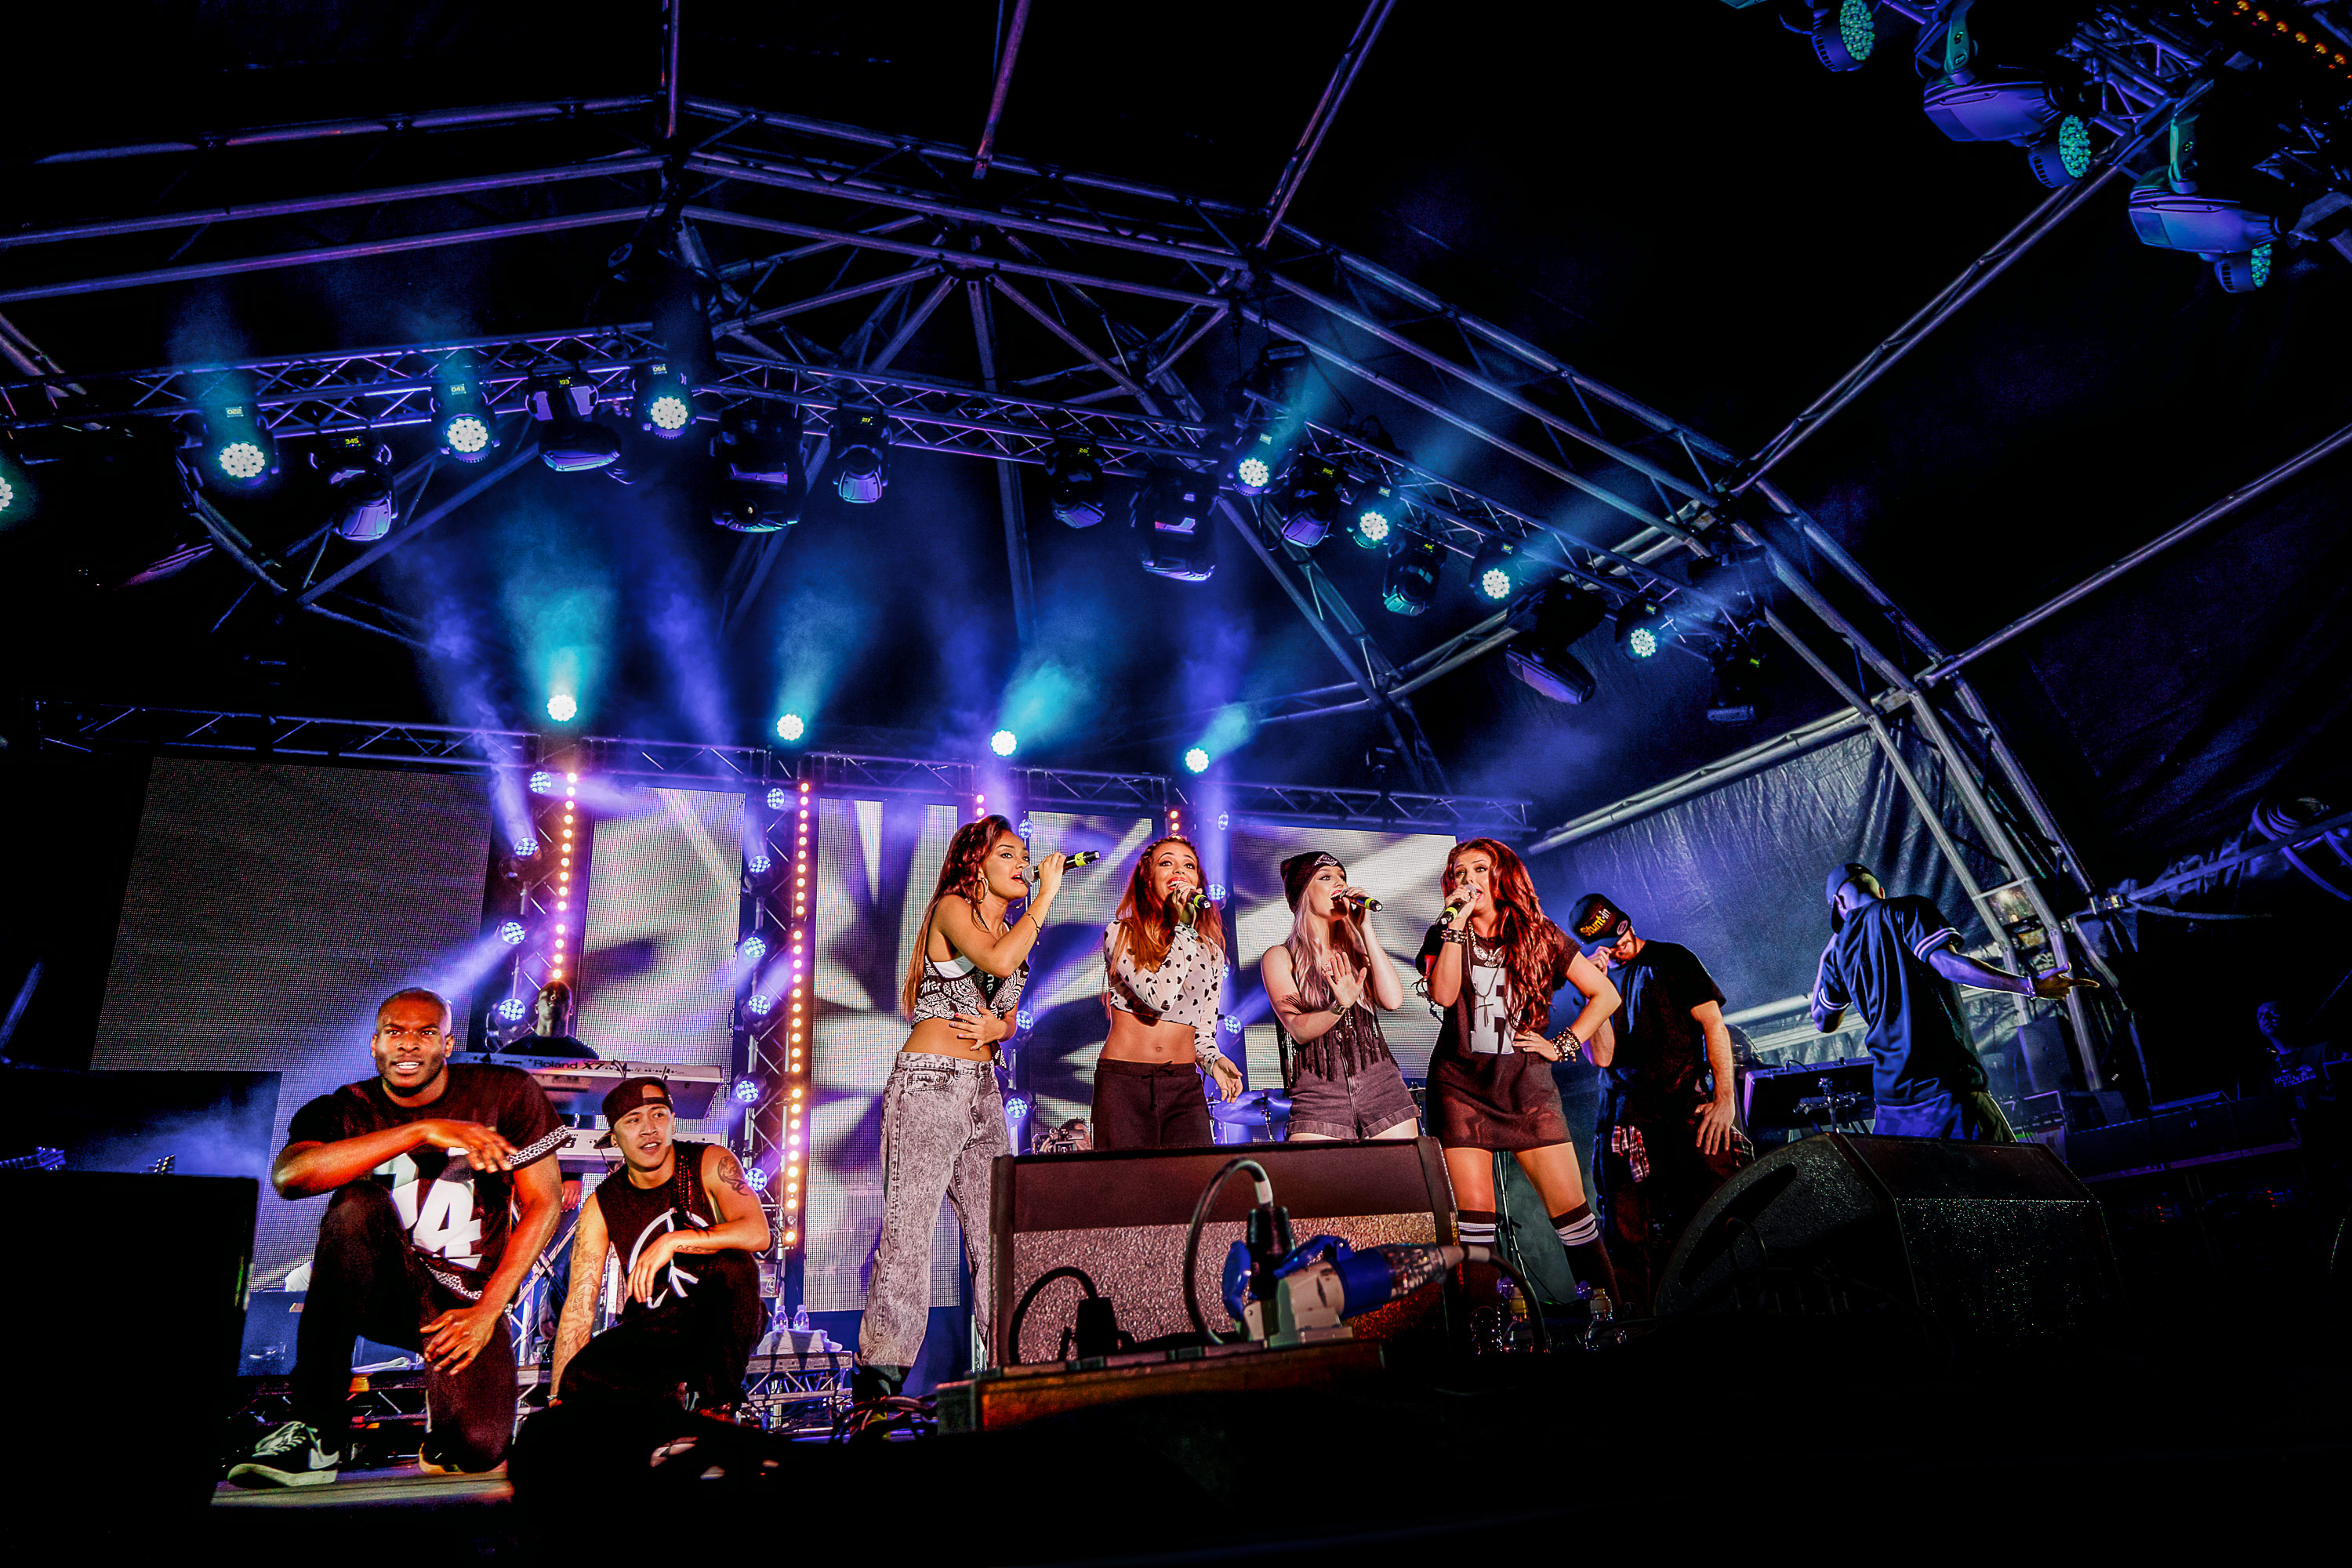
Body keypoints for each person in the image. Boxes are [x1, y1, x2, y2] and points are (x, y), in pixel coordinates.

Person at [228, 987, 564, 1487]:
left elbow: (545, 1202)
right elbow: (291, 1177)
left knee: (477, 1449)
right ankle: (318, 1430)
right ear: (375, 1044)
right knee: (357, 1204)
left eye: (426, 1032)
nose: (409, 1044)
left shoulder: (506, 1092)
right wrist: (422, 1130)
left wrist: (488, 1311)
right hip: (383, 1286)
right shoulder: (348, 1106)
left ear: (448, 1044)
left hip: (463, 1301)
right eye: (395, 1032)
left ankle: (447, 1425)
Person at [857, 815, 1064, 1408]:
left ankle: (1011, 1374)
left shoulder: (1015, 931)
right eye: (1008, 854)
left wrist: (1000, 1028)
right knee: (909, 1234)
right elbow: (996, 963)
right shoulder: (952, 908)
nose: (1022, 864)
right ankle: (878, 1391)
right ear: (977, 864)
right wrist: (1046, 897)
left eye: (1024, 855)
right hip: (930, 1083)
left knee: (997, 1238)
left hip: (983, 1088)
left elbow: (1008, 1014)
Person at [1417, 839, 1622, 1307]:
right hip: (1460, 1089)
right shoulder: (1444, 931)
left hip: (1527, 1090)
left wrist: (1562, 1045)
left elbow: (1605, 995)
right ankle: (1485, 1334)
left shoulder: (1539, 933)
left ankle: (1610, 1326)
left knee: (1574, 1218)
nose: (1468, 879)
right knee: (1475, 1228)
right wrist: (1455, 926)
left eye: (1479, 869)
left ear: (1501, 876)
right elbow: (1444, 995)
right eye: (1459, 871)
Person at [1813, 862, 2098, 1141]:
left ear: (1839, 902)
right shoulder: (1907, 909)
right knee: (2009, 1172)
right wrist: (2029, 985)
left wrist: (1826, 957)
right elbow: (1949, 965)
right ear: (1881, 891)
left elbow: (1824, 1020)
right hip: (1946, 1089)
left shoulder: (1837, 951)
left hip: (1892, 1106)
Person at [1571, 892, 1751, 1316]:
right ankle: (1637, 1332)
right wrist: (1594, 993)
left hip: (1685, 1107)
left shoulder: (1672, 959)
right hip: (1625, 1117)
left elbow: (1714, 1025)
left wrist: (1725, 1099)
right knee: (1626, 1238)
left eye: (1621, 932)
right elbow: (1603, 1057)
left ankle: (1739, 1313)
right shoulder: (1595, 983)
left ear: (1626, 921)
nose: (1621, 944)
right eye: (1610, 942)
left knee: (1720, 1214)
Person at [548, 1077, 769, 1414]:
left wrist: (673, 1240)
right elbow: (580, 1305)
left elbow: (757, 1233)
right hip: (657, 1325)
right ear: (613, 1137)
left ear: (673, 1120)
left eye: (658, 1115)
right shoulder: (603, 1203)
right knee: (581, 1376)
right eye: (633, 1120)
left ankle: (719, 1406)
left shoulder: (709, 1161)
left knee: (734, 1266)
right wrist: (558, 1396)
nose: (649, 1128)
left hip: (719, 1318)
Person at [1095, 835, 1244, 1149]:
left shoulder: (1211, 952)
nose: (1179, 871)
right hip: (1124, 1083)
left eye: (1189, 866)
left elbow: (1202, 1033)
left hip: (1183, 1086)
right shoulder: (1121, 933)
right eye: (1167, 863)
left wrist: (1213, 1061)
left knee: (1193, 1176)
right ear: (1148, 879)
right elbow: (1158, 998)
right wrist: (1185, 930)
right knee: (1125, 1179)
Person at [1261, 850, 1417, 1142]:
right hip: (1319, 1092)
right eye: (1325, 877)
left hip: (1381, 1086)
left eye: (1342, 876)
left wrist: (1365, 929)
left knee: (1400, 1170)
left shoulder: (1357, 952)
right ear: (1303, 894)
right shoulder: (1281, 957)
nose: (1339, 883)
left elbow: (1393, 1000)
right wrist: (1338, 1007)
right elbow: (1298, 1030)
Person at [500, 979, 599, 1060]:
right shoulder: (510, 1053)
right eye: (548, 994)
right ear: (536, 1008)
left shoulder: (587, 1057)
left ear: (571, 1009)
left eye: (563, 995)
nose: (555, 996)